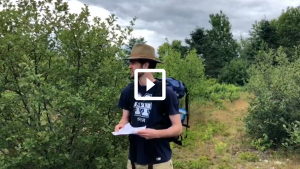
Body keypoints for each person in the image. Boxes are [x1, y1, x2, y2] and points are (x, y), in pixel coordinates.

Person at [115, 43, 182, 169]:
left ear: (145, 65)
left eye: (133, 63)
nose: (130, 67)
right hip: (134, 160)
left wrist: (156, 134)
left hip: (159, 162)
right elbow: (124, 119)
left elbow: (178, 128)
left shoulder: (166, 92)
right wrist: (121, 126)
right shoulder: (128, 91)